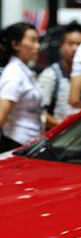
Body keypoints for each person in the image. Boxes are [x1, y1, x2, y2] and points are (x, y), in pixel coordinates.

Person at [0, 22, 44, 153]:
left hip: (29, 143)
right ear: (15, 44)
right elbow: (1, 116)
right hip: (16, 143)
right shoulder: (14, 74)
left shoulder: (23, 71)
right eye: (32, 41)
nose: (37, 46)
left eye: (37, 41)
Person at [38, 22, 81, 128]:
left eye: (79, 45)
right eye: (70, 44)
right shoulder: (51, 75)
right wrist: (64, 127)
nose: (75, 49)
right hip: (59, 135)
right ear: (61, 47)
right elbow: (39, 113)